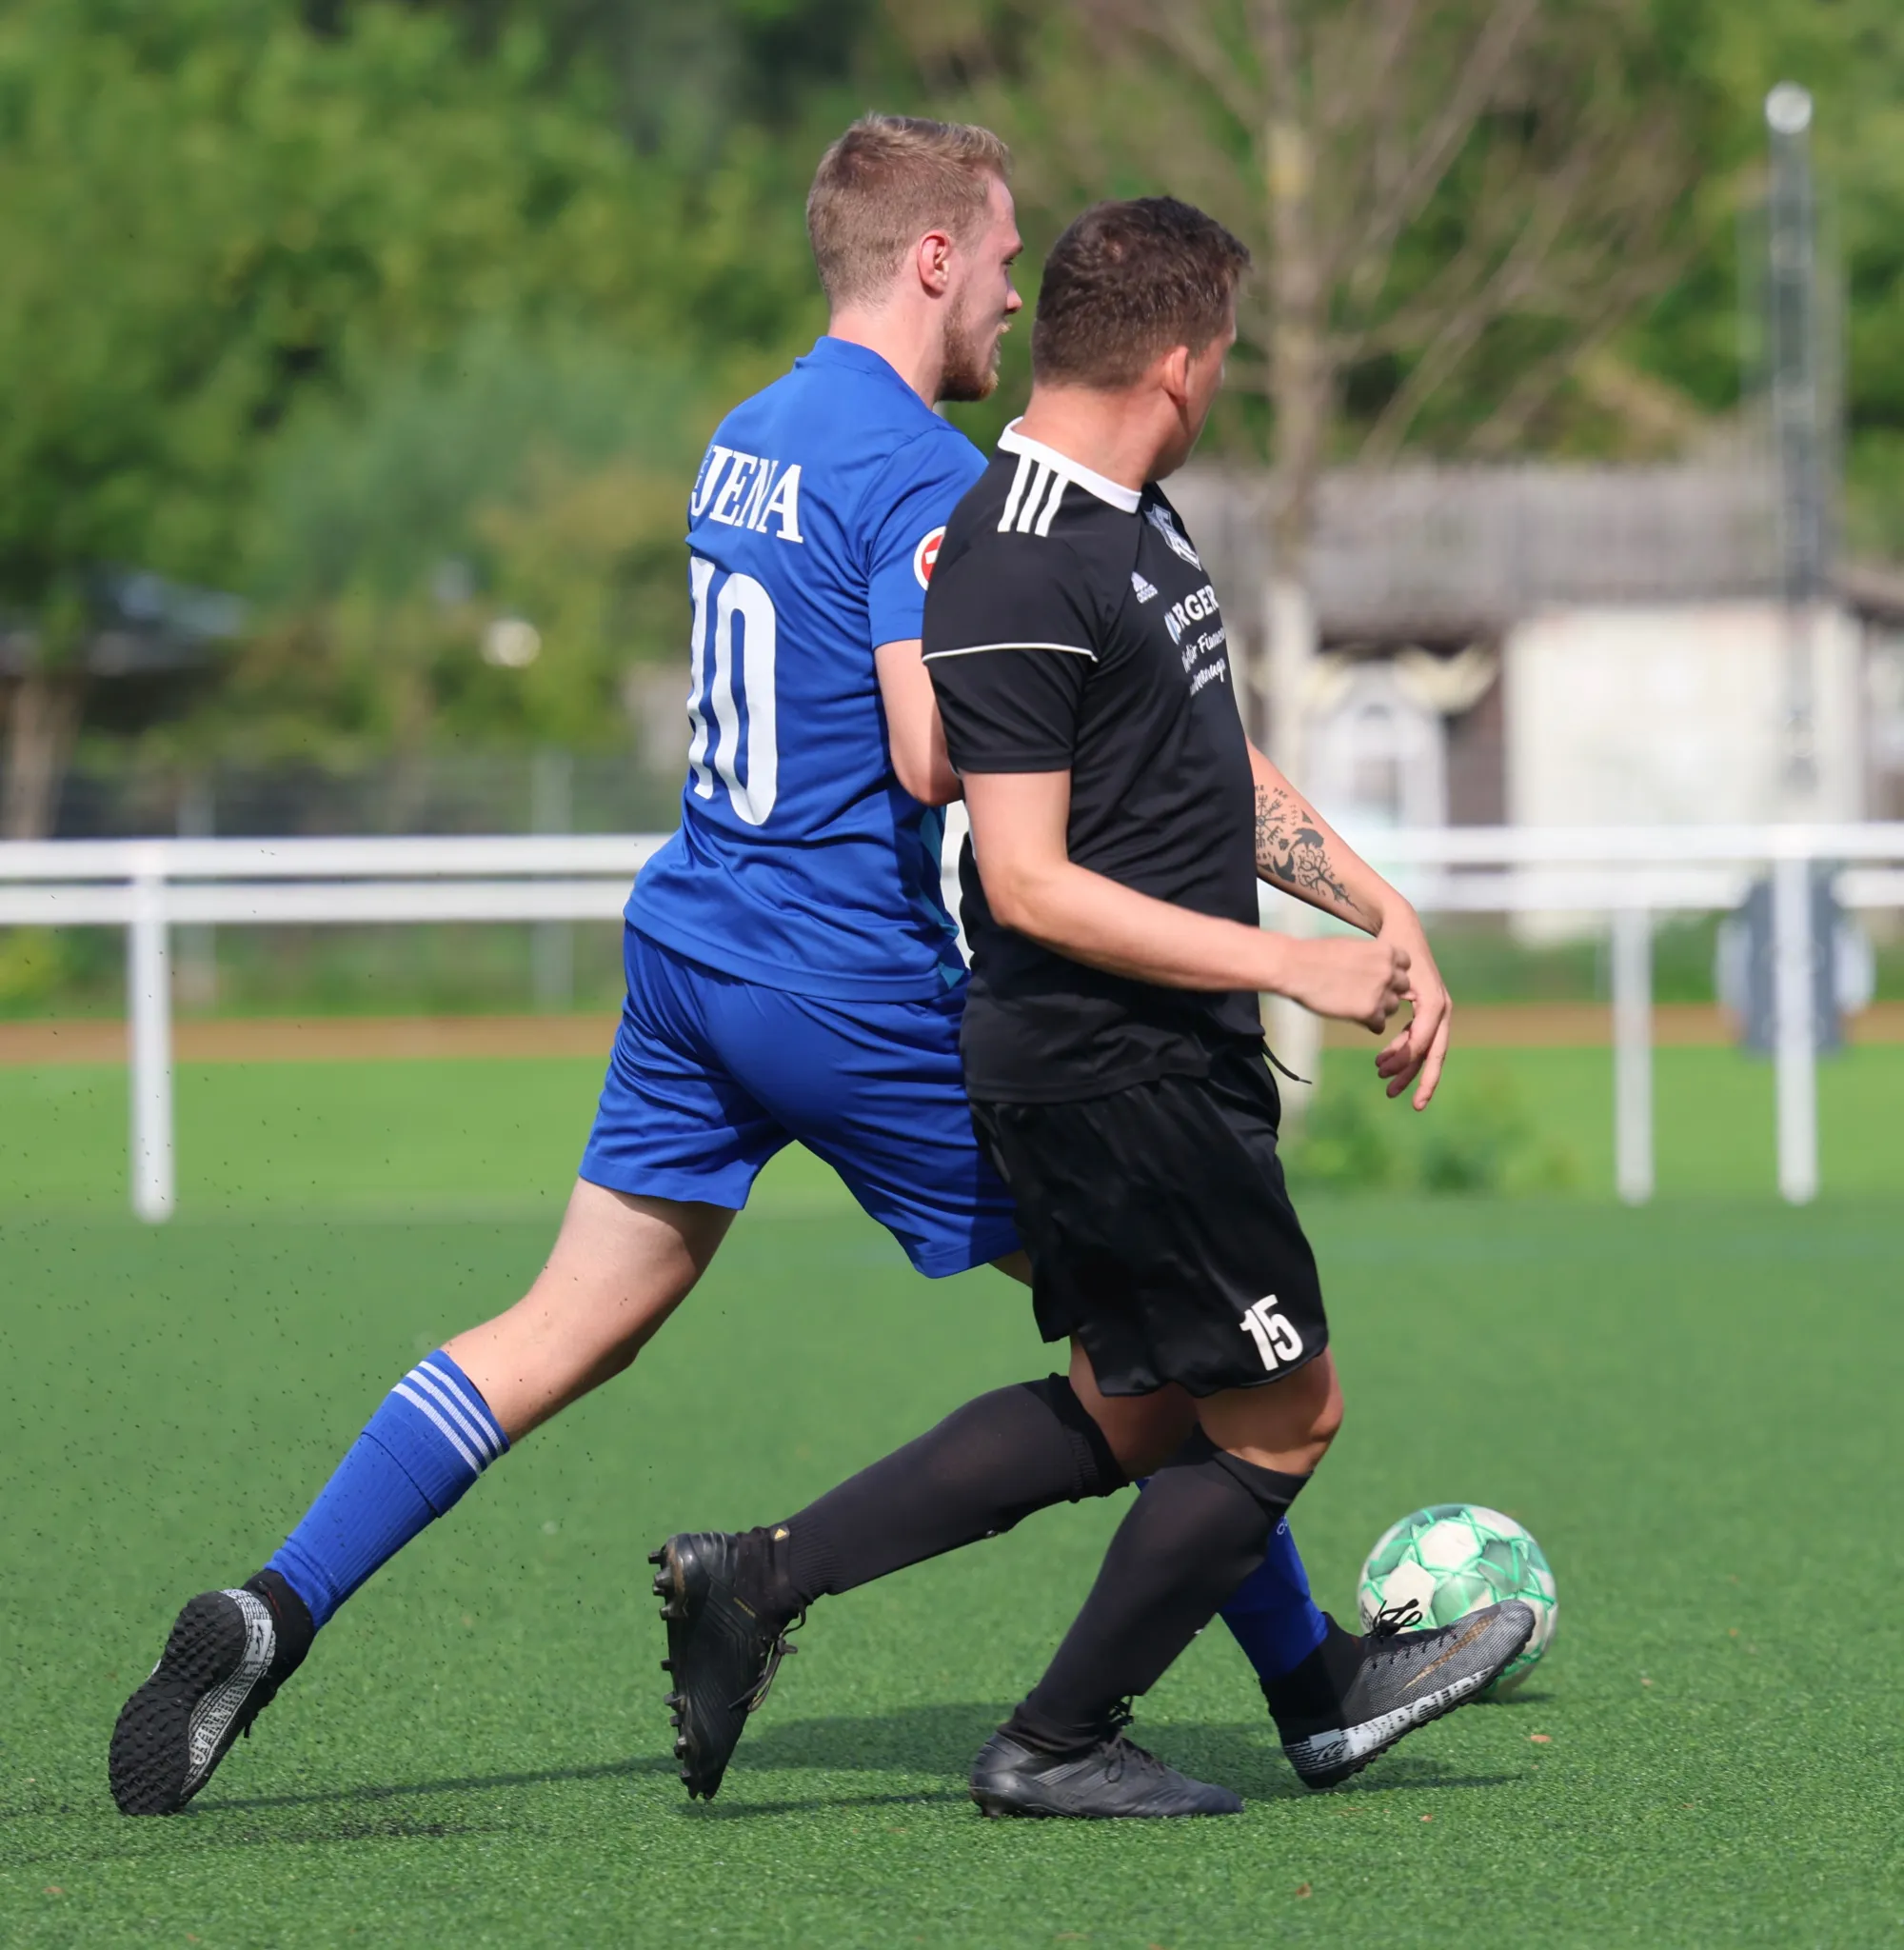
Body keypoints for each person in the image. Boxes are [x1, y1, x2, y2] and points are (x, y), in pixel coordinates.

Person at [107, 119, 1332, 1820]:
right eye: (999, 258)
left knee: (555, 1332)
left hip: (693, 953)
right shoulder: (924, 471)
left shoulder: (743, 435)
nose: (1011, 296)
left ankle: (280, 1602)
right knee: (1180, 1332)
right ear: (930, 257)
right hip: (846, 981)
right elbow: (928, 753)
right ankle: (1305, 1684)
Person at [653, 197, 1531, 1820]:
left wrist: (1372, 903)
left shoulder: (1134, 515)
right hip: (1113, 1070)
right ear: (1182, 364)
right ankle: (1057, 1739)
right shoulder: (1009, 551)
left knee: (1130, 1412)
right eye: (1228, 358)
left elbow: (1211, 762)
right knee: (1289, 1415)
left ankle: (760, 1579)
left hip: (1143, 1061)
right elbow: (1030, 879)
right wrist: (1294, 966)